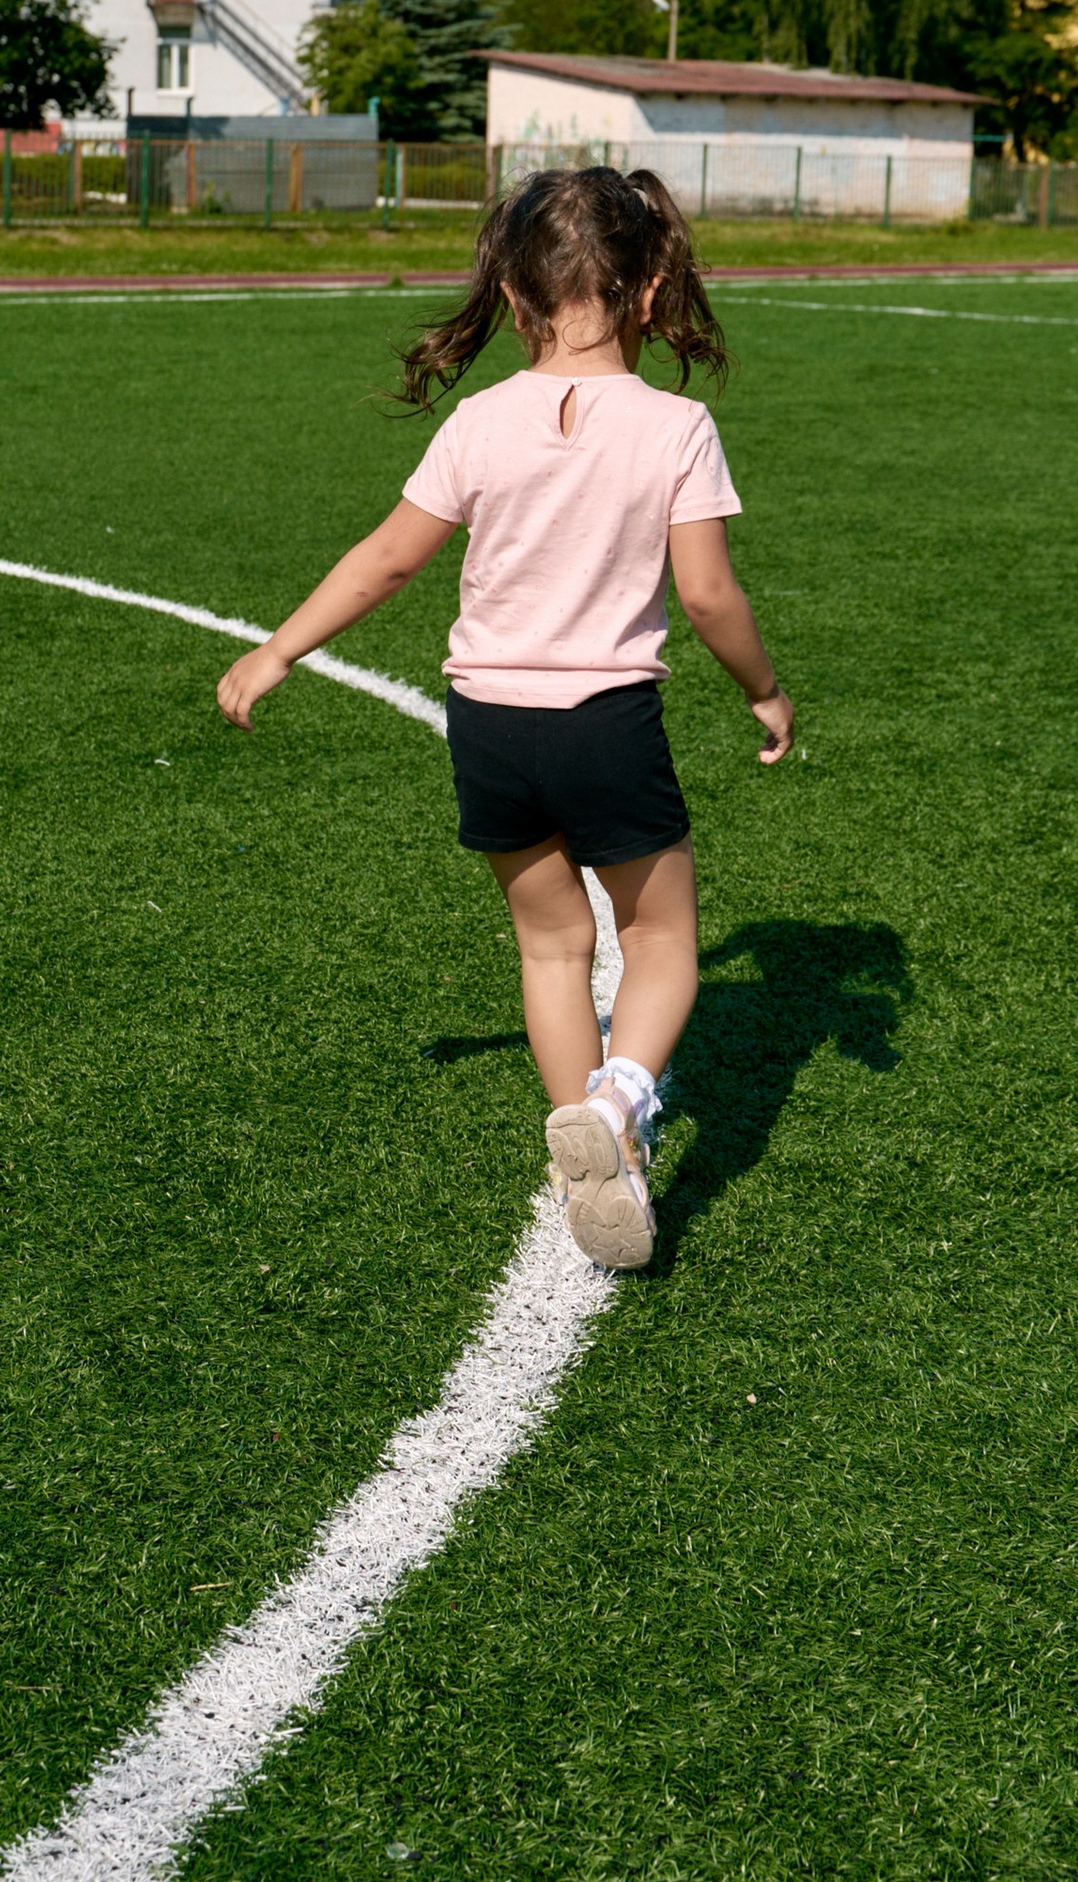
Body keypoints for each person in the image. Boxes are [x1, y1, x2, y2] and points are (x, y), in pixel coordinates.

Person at [216, 164, 792, 1267]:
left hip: (484, 722)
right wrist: (763, 688)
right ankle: (619, 1105)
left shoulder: (479, 421)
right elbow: (710, 593)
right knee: (663, 936)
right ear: (651, 286)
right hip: (604, 718)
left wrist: (279, 646)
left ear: (516, 299)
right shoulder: (675, 425)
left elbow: (388, 560)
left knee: (550, 945)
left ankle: (580, 1141)